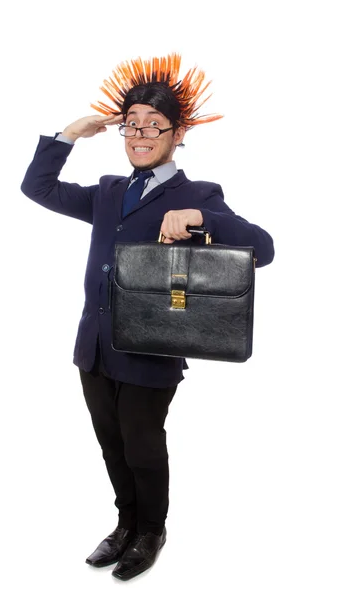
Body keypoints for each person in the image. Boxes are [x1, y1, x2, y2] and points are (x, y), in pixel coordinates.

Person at [20, 53, 275, 581]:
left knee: (141, 442)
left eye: (153, 125)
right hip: (94, 342)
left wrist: (203, 219)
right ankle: (125, 523)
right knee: (110, 440)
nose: (140, 134)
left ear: (177, 133)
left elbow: (264, 249)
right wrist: (69, 134)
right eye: (131, 125)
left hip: (152, 344)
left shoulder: (198, 194)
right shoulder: (111, 189)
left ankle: (151, 531)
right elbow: (38, 189)